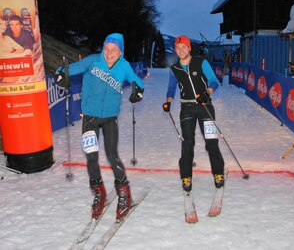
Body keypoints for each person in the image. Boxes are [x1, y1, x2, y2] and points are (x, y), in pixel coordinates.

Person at [54, 33, 145, 221]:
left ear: (120, 52)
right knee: (91, 156)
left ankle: (124, 193)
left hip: (110, 117)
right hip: (89, 116)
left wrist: (138, 90)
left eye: (114, 49)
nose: (109, 52)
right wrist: (61, 74)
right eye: (107, 48)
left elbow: (138, 80)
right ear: (103, 47)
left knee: (112, 155)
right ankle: (98, 192)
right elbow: (69, 68)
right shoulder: (93, 61)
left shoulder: (124, 66)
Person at [162, 35, 225, 194]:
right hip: (187, 107)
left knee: (211, 142)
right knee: (187, 142)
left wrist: (207, 92)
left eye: (184, 47)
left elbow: (214, 81)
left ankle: (218, 173)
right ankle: (186, 176)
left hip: (205, 105)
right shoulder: (174, 69)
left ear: (189, 48)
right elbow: (171, 89)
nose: (181, 50)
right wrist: (168, 101)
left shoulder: (201, 62)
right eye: (178, 48)